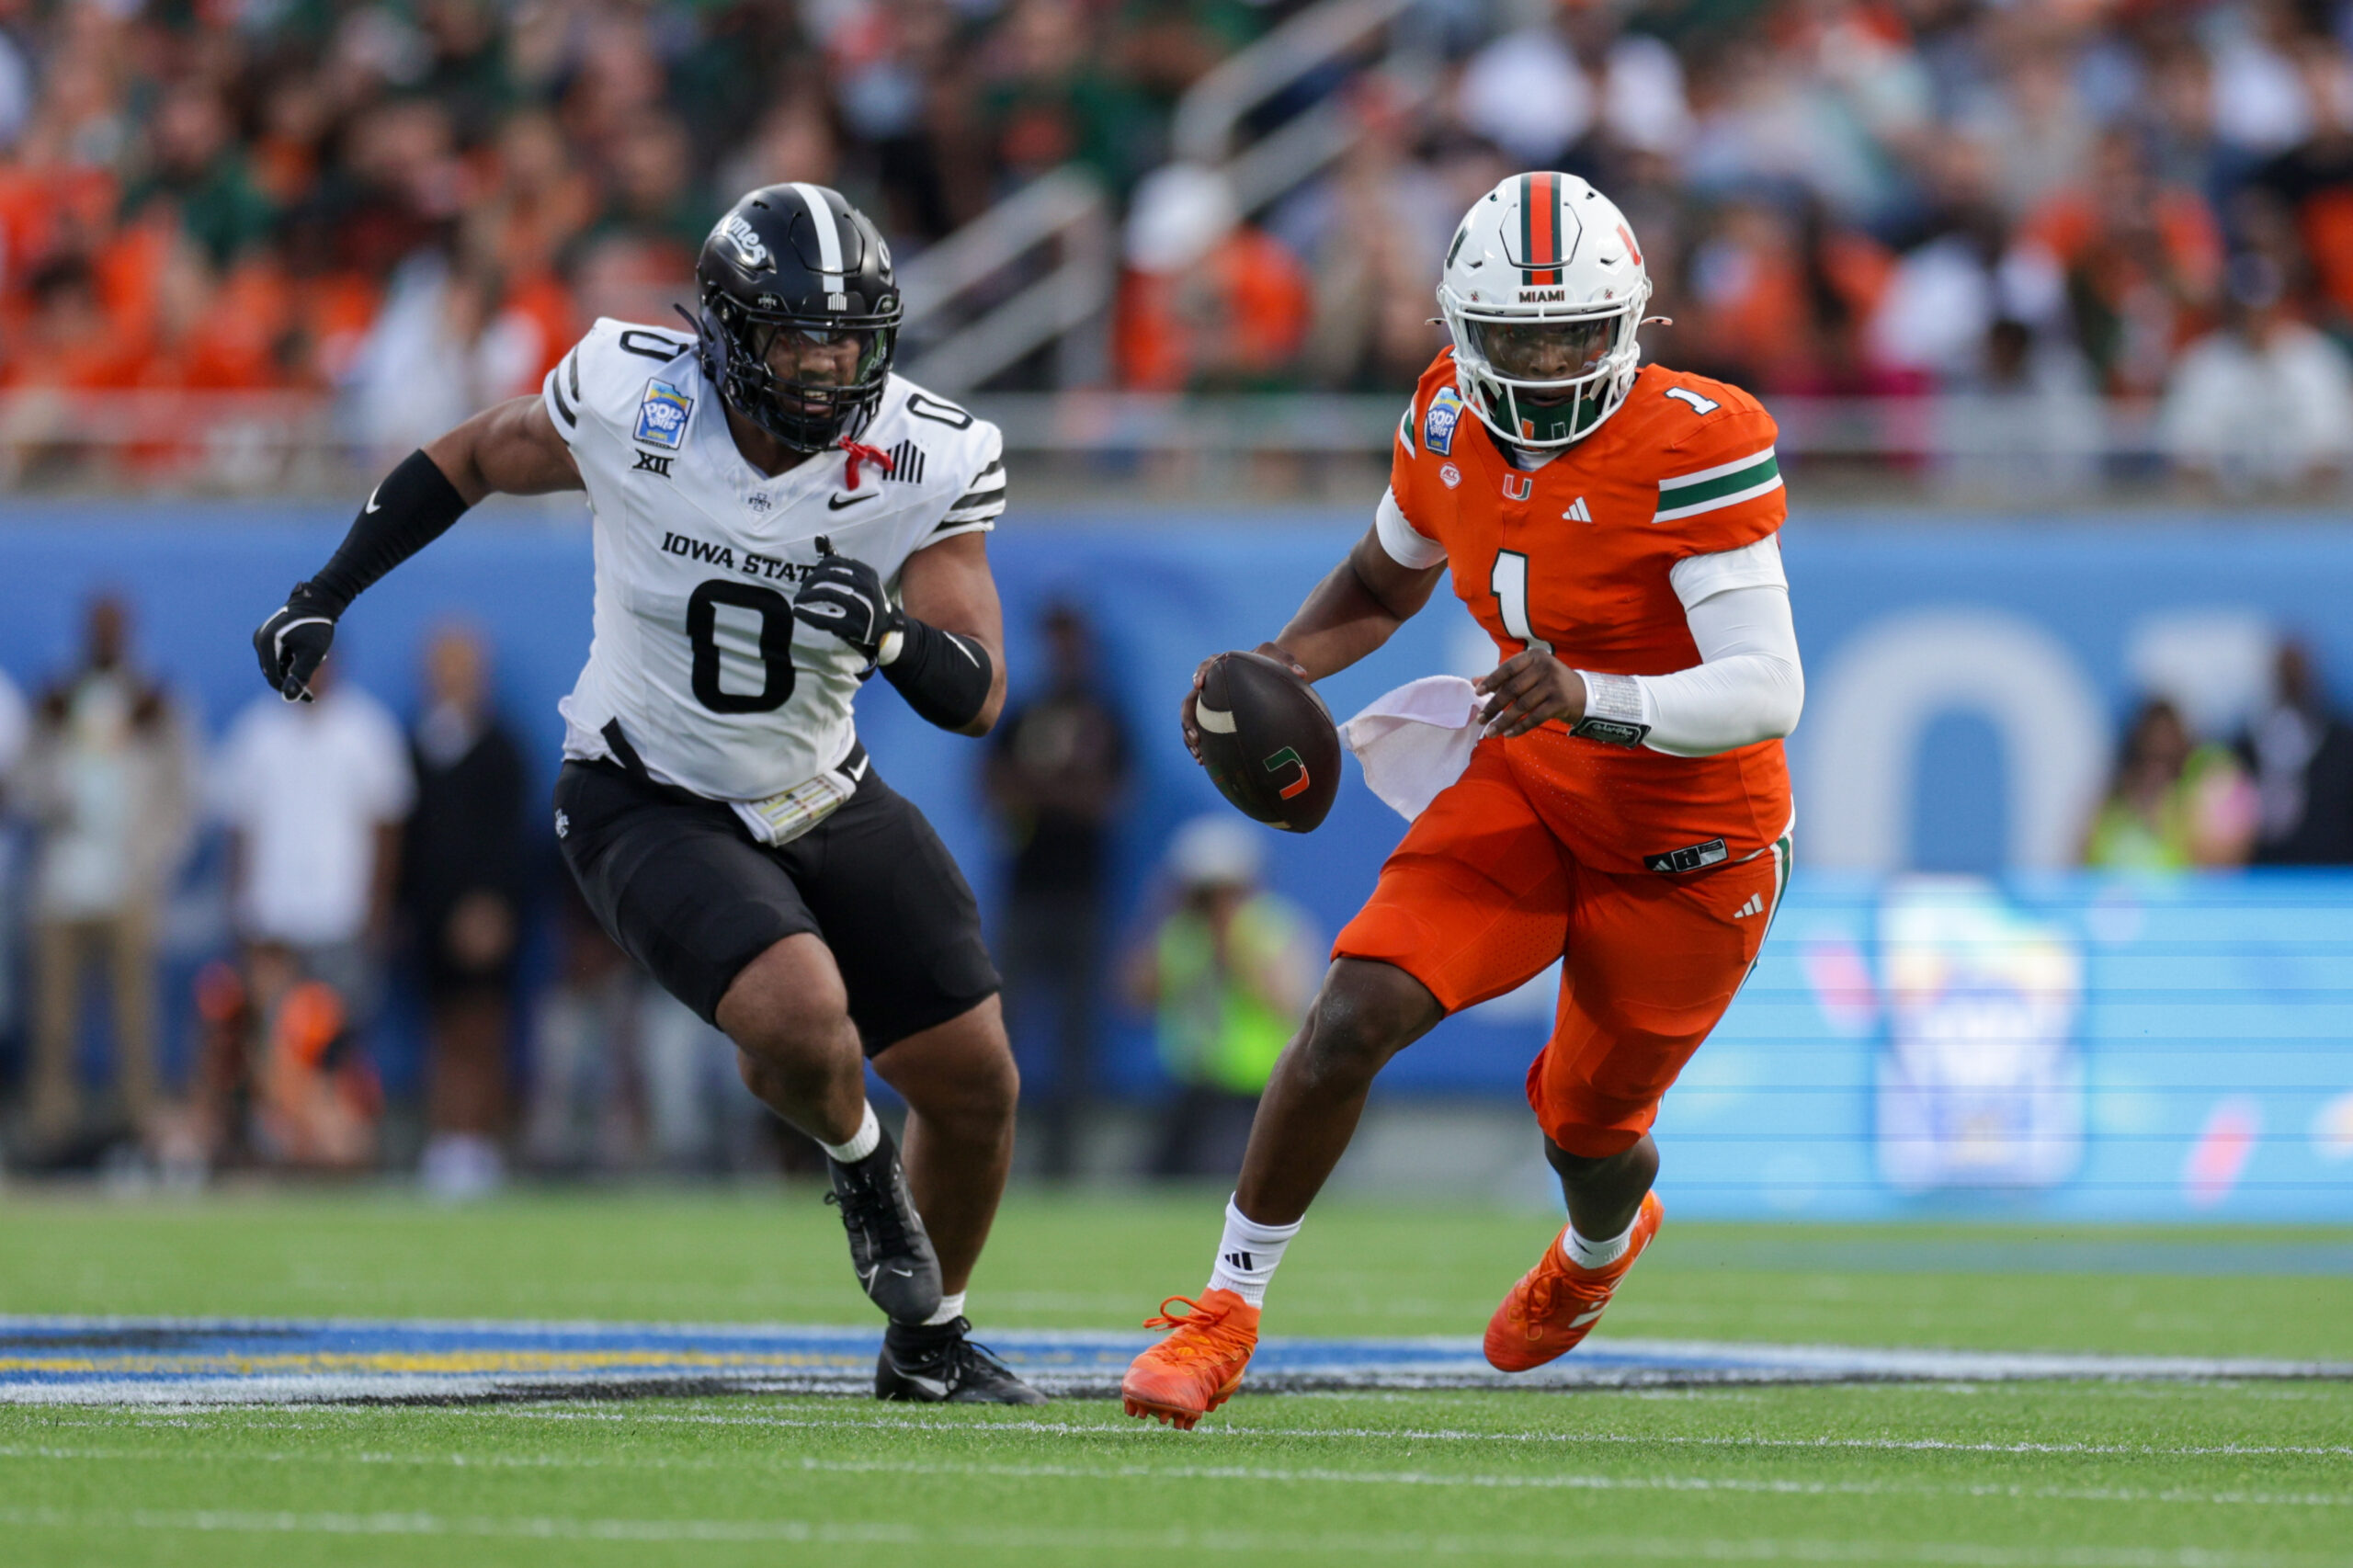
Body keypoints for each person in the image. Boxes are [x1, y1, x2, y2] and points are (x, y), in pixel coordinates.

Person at [250, 183, 1039, 1405]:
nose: (828, 365)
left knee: (978, 1076)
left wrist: (891, 633)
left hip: (821, 785)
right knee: (799, 1015)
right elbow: (471, 454)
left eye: (848, 336)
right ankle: (862, 1169)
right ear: (724, 334)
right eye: (796, 335)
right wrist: (325, 586)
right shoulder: (635, 394)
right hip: (643, 785)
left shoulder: (926, 452)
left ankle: (926, 1343)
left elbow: (980, 693)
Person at [1121, 172, 1806, 1427]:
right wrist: (1279, 666)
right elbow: (1382, 586)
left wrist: (1594, 692)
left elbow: (1769, 688)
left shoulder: (1696, 439)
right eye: (1516, 337)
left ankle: (1598, 1251)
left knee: (1591, 1137)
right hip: (1534, 786)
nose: (1545, 363)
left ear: (1629, 324)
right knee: (1351, 1010)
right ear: (1457, 331)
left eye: (1572, 332)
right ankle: (1225, 1308)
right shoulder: (1445, 419)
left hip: (1688, 847)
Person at [21, 596, 194, 1156]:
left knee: (135, 1020)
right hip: (61, 882)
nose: (105, 636)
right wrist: (54, 777)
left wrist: (155, 859)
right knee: (53, 1022)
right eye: (97, 626)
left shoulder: (155, 701)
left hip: (129, 883)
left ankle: (139, 1127)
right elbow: (24, 788)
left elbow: (185, 793)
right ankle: (52, 1129)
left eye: (114, 626)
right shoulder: (56, 698)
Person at [984, 602, 1131, 1177]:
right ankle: (998, 1156)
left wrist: (1039, 790)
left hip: (1082, 894)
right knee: (1006, 1028)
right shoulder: (1024, 715)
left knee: (1076, 1038)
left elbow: (1110, 801)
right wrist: (1065, 788)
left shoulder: (1105, 716)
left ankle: (1062, 1166)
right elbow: (993, 792)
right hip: (1026, 891)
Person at [399, 624, 531, 1199]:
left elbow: (509, 841)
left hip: (484, 916)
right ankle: (446, 1140)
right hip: (429, 914)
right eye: (442, 667)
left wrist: (492, 907)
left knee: (482, 1027)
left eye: (462, 667)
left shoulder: (503, 748)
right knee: (439, 1029)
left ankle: (481, 1142)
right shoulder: (413, 748)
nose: (452, 678)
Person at [213, 653, 414, 1024]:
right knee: (272, 1035)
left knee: (339, 1037)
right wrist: (239, 908)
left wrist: (379, 910)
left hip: (343, 917)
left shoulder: (368, 730)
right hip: (271, 919)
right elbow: (239, 829)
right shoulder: (255, 732)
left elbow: (389, 828)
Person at [1125, 815, 1316, 1179]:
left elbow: (1289, 1003)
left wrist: (1235, 950)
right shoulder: (1181, 933)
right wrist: (1159, 914)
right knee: (1159, 1180)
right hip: (1193, 1087)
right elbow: (1134, 998)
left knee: (1228, 1176)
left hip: (1259, 1089)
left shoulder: (1272, 929)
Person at [2082, 698, 2256, 870]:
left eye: (2168, 756)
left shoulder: (2209, 782)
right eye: (2150, 755)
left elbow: (2222, 866)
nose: (2161, 746)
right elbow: (2082, 859)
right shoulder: (2116, 799)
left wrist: (2170, 818)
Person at [2237, 641, 2353, 865]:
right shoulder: (2244, 746)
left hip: (2331, 873)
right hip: (2262, 874)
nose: (2291, 681)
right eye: (2285, 674)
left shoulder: (2343, 744)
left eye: (2297, 674)